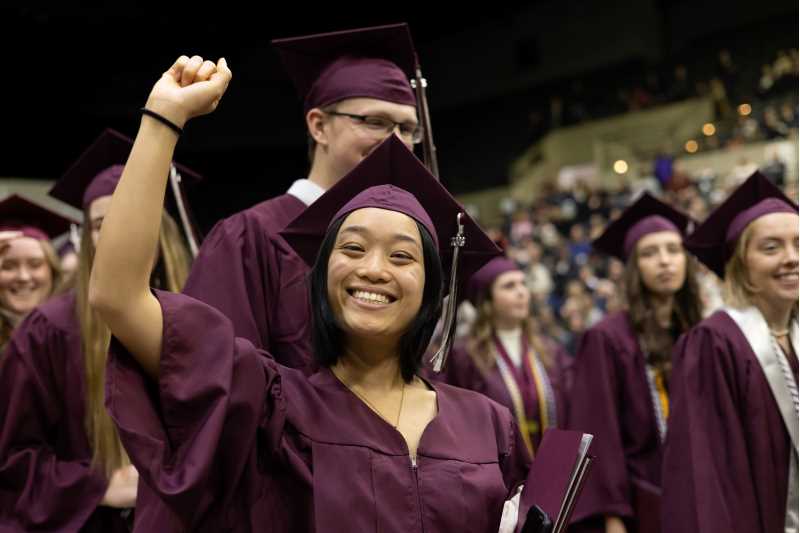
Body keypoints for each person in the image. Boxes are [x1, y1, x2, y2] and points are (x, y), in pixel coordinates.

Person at [89, 56, 533, 532]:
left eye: (403, 257)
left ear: (433, 290)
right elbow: (119, 296)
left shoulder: (488, 425)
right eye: (353, 249)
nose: (374, 269)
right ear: (320, 278)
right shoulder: (274, 404)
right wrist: (163, 119)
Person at [183, 24, 428, 372]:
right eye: (375, 121)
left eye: (407, 129)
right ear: (318, 126)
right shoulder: (251, 239)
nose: (397, 143)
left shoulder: (413, 242)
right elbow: (219, 376)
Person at [0, 129, 194, 532]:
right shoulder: (48, 331)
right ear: (86, 238)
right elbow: (12, 460)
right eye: (101, 223)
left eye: (134, 213)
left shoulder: (201, 319)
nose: (118, 232)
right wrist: (98, 485)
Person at [662, 172, 798, 533]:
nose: (792, 258)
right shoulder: (714, 344)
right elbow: (703, 476)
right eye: (771, 247)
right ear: (741, 265)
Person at [565, 193, 703, 533]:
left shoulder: (700, 333)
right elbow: (599, 432)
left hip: (701, 494)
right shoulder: (607, 338)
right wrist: (613, 516)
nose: (665, 261)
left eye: (673, 250)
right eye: (650, 253)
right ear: (633, 268)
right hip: (643, 504)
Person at [438, 256, 572, 456]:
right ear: (487, 301)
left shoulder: (551, 351)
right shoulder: (464, 357)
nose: (522, 292)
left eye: (523, 284)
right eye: (509, 286)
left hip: (552, 469)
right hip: (496, 475)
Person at [0, 195, 74, 351]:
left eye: (35, 264)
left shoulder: (73, 335)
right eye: (8, 266)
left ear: (53, 271)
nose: (23, 277)